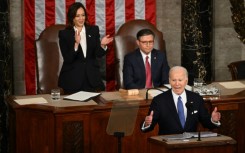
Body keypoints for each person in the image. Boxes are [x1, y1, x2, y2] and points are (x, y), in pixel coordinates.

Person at [141, 66, 221, 135]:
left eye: (180, 80)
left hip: (190, 145)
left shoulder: (196, 98)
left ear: (186, 81)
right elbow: (149, 127)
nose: (177, 84)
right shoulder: (159, 100)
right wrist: (147, 123)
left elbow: (206, 122)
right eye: (173, 80)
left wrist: (213, 120)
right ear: (169, 81)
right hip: (168, 145)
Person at [58, 2, 113, 94]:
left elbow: (98, 54)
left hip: (91, 78)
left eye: (83, 15)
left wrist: (102, 45)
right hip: (72, 79)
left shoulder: (93, 30)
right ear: (72, 18)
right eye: (78, 16)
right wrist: (76, 43)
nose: (81, 18)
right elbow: (68, 59)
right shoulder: (64, 34)